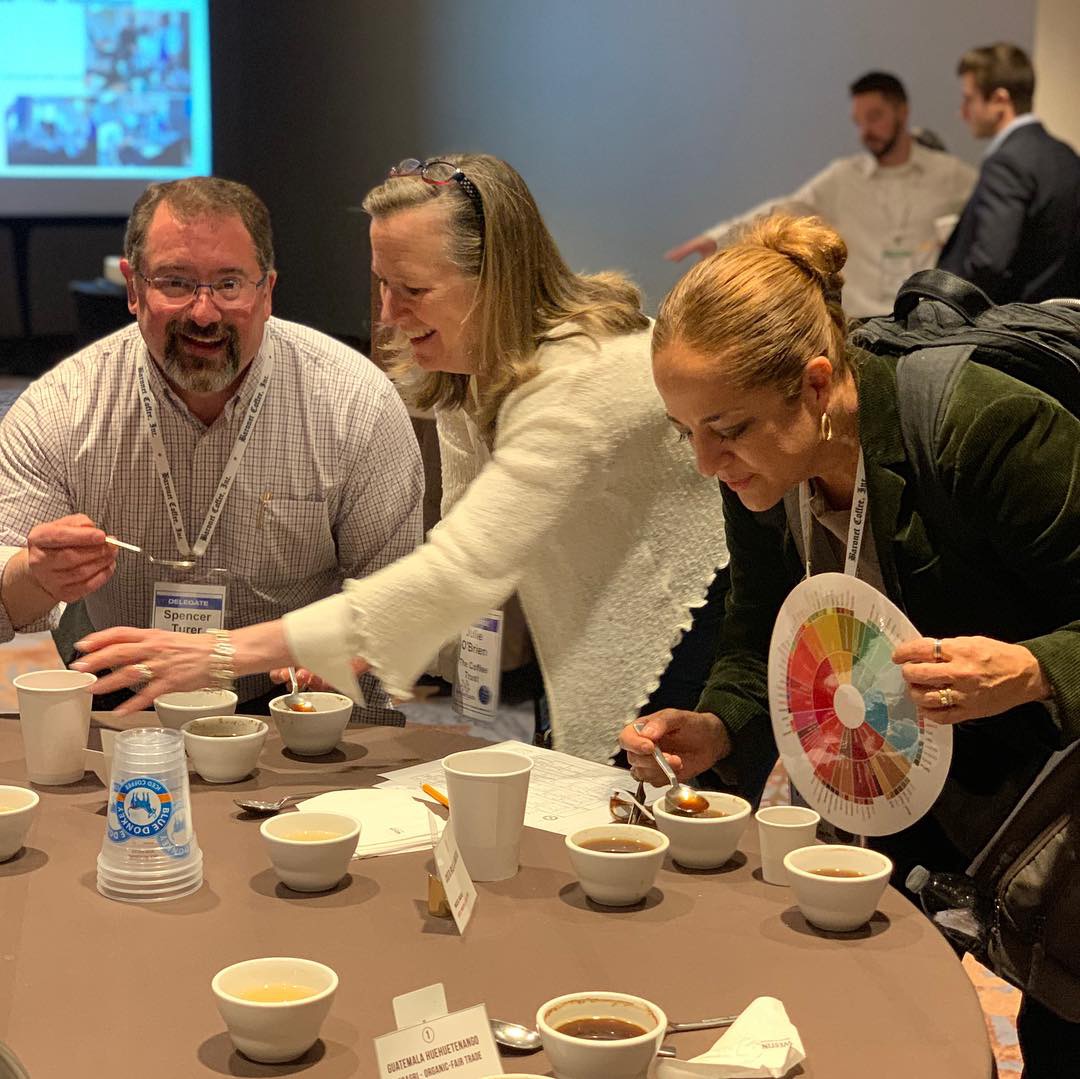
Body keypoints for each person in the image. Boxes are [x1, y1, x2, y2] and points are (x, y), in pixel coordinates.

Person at [71, 154, 729, 762]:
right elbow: (466, 567)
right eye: (382, 284)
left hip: (696, 624)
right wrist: (360, 645)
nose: (388, 314)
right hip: (590, 628)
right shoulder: (469, 368)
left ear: (495, 280)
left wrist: (223, 652)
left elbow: (461, 572)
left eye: (412, 289)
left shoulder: (578, 380)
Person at [621, 213, 1080, 1076]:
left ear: (817, 383)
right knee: (893, 1033)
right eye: (685, 430)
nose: (705, 459)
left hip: (1052, 813)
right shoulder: (763, 463)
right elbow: (758, 622)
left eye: (725, 428)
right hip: (912, 796)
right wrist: (718, 724)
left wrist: (1031, 668)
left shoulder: (982, 429)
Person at [0, 176, 424, 719]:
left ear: (267, 291)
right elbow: (7, 603)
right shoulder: (63, 406)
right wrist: (35, 575)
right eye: (176, 283)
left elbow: (398, 604)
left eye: (229, 285)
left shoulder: (354, 403)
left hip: (301, 705)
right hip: (126, 707)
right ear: (132, 288)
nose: (203, 313)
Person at [665, 72, 976, 318]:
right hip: (861, 320)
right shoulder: (843, 177)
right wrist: (719, 238)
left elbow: (991, 215)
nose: (866, 130)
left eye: (875, 116)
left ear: (902, 111)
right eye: (859, 121)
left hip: (921, 319)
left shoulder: (949, 175)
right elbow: (787, 207)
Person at [938, 43, 1080, 303]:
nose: (962, 112)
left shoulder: (1007, 161)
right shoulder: (1066, 155)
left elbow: (989, 262)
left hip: (1012, 327)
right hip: (1060, 327)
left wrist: (945, 305)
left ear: (999, 100)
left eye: (969, 98)